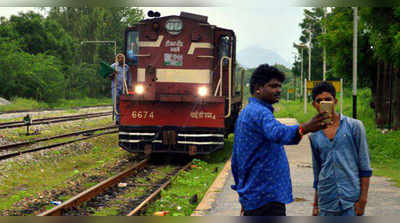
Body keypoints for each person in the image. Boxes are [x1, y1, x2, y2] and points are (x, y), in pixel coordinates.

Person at [231, 64, 329, 216]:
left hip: (253, 196)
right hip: (266, 197)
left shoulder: (247, 112)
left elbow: (236, 159)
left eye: (279, 86)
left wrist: (243, 194)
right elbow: (277, 133)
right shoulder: (260, 113)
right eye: (273, 86)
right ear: (258, 88)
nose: (278, 90)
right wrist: (305, 127)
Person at [309, 82, 372, 216]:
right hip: (326, 201)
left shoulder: (354, 126)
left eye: (327, 99)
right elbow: (318, 171)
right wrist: (316, 205)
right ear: (314, 104)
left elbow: (365, 166)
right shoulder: (314, 134)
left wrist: (363, 200)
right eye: (319, 101)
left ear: (335, 101)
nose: (323, 103)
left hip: (350, 200)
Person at [110, 53, 131, 124]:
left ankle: (124, 118)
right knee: (116, 102)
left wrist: (129, 85)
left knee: (124, 102)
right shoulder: (113, 66)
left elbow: (129, 77)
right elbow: (109, 76)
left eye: (122, 58)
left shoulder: (127, 67)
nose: (120, 60)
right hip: (115, 87)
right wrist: (112, 74)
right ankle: (117, 119)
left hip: (124, 87)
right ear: (117, 59)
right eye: (119, 58)